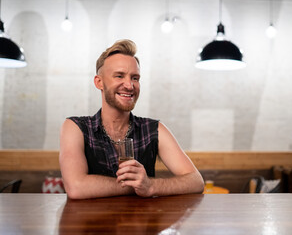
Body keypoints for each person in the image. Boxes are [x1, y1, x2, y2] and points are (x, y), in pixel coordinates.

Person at [59, 39, 204, 199]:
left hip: (141, 223)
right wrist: (137, 186)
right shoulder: (76, 127)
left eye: (135, 78)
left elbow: (196, 181)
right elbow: (76, 187)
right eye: (119, 76)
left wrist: (150, 186)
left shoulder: (154, 129)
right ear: (99, 82)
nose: (129, 85)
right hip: (92, 223)